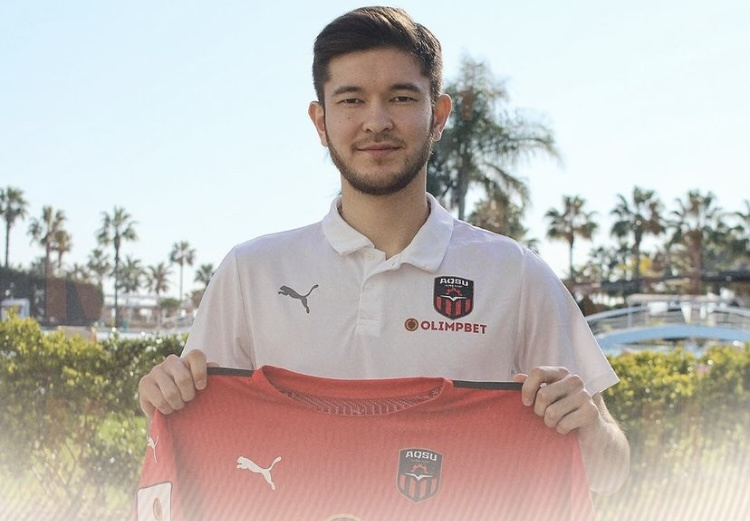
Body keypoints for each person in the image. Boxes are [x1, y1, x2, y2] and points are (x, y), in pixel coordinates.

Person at [138, 6, 629, 495]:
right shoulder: (251, 273)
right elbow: (204, 456)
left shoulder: (516, 275)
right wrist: (165, 404)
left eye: (401, 97)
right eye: (351, 100)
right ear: (320, 121)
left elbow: (610, 475)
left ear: (438, 116)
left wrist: (589, 427)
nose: (376, 121)